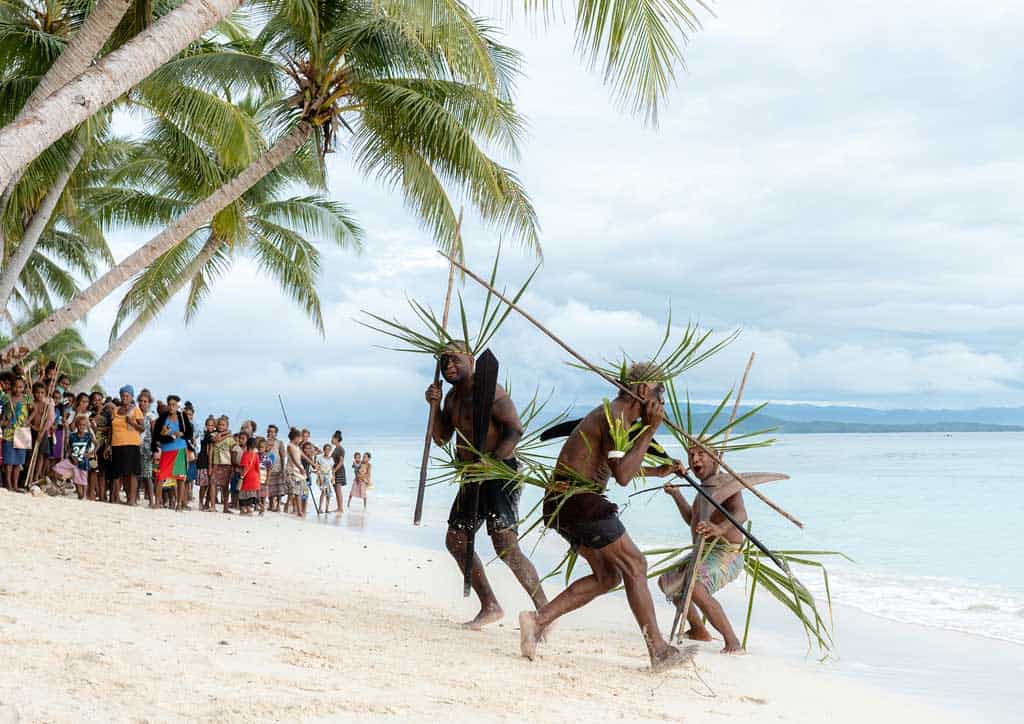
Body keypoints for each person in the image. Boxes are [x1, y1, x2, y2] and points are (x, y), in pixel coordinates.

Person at [517, 362, 693, 672]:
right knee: (636, 564)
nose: (662, 401)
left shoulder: (617, 417)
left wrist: (656, 471)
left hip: (565, 502)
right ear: (642, 391)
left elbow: (614, 468)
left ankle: (537, 620)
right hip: (578, 501)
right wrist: (651, 429)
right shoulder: (615, 417)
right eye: (659, 392)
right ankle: (659, 651)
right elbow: (623, 476)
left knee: (608, 576)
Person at [425, 343, 548, 630]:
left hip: (500, 471)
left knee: (505, 544)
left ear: (471, 359)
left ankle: (545, 611)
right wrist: (433, 407)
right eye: (444, 363)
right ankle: (490, 605)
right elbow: (442, 437)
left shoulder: (491, 391)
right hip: (471, 475)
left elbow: (514, 429)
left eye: (454, 360)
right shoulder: (453, 399)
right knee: (456, 539)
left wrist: (492, 462)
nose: (449, 367)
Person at [658, 445, 747, 654]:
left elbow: (741, 514)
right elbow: (692, 519)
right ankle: (699, 630)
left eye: (700, 454)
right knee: (668, 582)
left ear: (715, 458)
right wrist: (677, 495)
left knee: (696, 588)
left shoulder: (726, 483)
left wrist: (719, 528)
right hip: (703, 550)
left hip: (727, 553)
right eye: (691, 455)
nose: (695, 458)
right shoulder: (704, 488)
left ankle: (733, 642)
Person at [153, 395, 193, 510]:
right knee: (161, 476)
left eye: (173, 405)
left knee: (180, 477)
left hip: (180, 449)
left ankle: (179, 504)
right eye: (169, 404)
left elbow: (189, 433)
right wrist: (169, 435)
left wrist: (182, 434)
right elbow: (158, 436)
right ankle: (157, 503)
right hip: (167, 450)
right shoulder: (163, 418)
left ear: (177, 406)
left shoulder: (182, 417)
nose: (171, 407)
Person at [109, 385, 144, 505]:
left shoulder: (136, 410)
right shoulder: (115, 410)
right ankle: (116, 498)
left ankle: (132, 499)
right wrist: (109, 445)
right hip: (116, 443)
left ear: (131, 397)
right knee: (117, 472)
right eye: (122, 395)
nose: (124, 398)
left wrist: (132, 423)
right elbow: (111, 429)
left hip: (132, 443)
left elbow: (142, 428)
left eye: (127, 396)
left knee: (132, 473)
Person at [1, 376, 30, 491]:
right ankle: (8, 484)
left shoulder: (27, 398)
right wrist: (3, 422)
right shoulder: (6, 398)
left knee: (18, 461)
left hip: (22, 431)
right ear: (12, 387)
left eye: (20, 387)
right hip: (9, 431)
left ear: (23, 388)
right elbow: (2, 411)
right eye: (16, 386)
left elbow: (35, 410)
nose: (18, 389)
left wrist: (29, 420)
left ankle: (15, 484)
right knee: (9, 460)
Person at [209, 417, 235, 514]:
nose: (221, 426)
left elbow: (233, 452)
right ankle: (212, 506)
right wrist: (210, 466)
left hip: (226, 464)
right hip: (216, 463)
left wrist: (233, 466)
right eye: (219, 424)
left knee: (225, 487)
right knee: (213, 484)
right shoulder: (213, 435)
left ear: (227, 426)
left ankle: (225, 507)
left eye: (223, 425)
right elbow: (215, 442)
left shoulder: (230, 439)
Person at [66, 414, 95, 499]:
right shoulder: (72, 435)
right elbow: (68, 448)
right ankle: (80, 494)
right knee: (76, 477)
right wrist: (71, 456)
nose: (82, 427)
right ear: (77, 425)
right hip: (75, 460)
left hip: (85, 460)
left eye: (84, 425)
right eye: (80, 425)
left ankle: (84, 495)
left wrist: (91, 453)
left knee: (84, 477)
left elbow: (96, 444)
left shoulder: (88, 435)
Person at [137, 390, 158, 504]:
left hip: (147, 447)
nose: (142, 403)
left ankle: (151, 500)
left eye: (145, 401)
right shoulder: (135, 413)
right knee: (136, 474)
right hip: (136, 446)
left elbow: (154, 434)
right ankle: (134, 498)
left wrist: (154, 450)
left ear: (149, 403)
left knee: (148, 474)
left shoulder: (151, 416)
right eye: (140, 401)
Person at [264, 424, 287, 512]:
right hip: (267, 467)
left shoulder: (279, 443)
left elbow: (282, 456)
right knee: (269, 487)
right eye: (269, 431)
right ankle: (270, 504)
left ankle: (278, 505)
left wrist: (283, 468)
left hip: (278, 467)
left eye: (273, 432)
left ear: (276, 433)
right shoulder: (265, 442)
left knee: (279, 488)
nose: (271, 433)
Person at [284, 428, 306, 518]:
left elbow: (303, 456)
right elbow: (293, 459)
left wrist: (313, 464)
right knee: (291, 492)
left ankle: (299, 511)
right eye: (300, 438)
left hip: (298, 471)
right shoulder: (290, 446)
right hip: (292, 471)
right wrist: (299, 468)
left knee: (298, 492)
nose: (300, 440)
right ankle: (286, 508)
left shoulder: (297, 447)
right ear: (296, 438)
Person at [238, 436, 261, 516]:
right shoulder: (256, 455)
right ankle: (250, 509)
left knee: (244, 493)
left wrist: (241, 476)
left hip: (247, 477)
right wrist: (259, 478)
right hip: (255, 477)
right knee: (251, 493)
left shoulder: (245, 454)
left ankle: (244, 509)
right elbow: (258, 468)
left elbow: (245, 467)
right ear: (255, 446)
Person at [196, 416, 215, 511]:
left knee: (208, 485)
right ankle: (200, 503)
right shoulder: (207, 435)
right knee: (203, 485)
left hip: (209, 462)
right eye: (208, 425)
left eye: (212, 425)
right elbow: (214, 440)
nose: (210, 427)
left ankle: (205, 503)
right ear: (206, 425)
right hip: (203, 462)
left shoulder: (210, 435)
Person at [329, 431, 346, 514]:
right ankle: (339, 507)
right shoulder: (335, 449)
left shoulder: (340, 449)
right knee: (336, 489)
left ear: (336, 439)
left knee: (338, 489)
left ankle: (340, 508)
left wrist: (334, 470)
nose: (331, 439)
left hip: (339, 470)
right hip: (334, 470)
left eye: (332, 438)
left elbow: (341, 462)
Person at [317, 443, 333, 514]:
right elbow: (318, 469)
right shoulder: (320, 458)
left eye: (329, 450)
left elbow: (332, 469)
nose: (328, 451)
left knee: (328, 494)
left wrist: (333, 477)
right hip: (322, 477)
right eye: (326, 449)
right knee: (323, 493)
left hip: (329, 477)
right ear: (324, 450)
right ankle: (320, 508)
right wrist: (320, 478)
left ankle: (327, 508)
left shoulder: (331, 459)